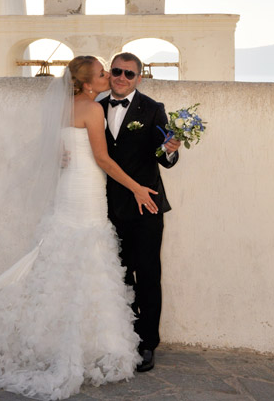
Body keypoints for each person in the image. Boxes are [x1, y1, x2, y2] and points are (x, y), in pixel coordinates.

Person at [0, 56, 163, 400]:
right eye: (104, 73)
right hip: (87, 190)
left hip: (70, 187)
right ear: (87, 83)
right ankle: (91, 340)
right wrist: (137, 188)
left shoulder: (62, 107)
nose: (110, 78)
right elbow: (102, 158)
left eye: (117, 73)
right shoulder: (94, 109)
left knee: (61, 253)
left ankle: (44, 337)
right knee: (88, 254)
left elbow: (56, 149)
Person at [99, 52, 180, 373]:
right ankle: (119, 337)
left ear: (139, 78)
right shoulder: (96, 106)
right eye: (116, 71)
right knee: (116, 273)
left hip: (146, 205)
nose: (121, 77)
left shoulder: (153, 108)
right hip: (103, 207)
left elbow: (163, 156)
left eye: (129, 74)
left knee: (147, 275)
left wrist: (170, 150)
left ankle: (147, 343)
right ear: (109, 73)